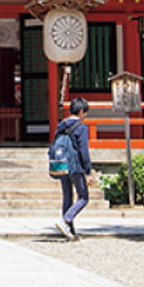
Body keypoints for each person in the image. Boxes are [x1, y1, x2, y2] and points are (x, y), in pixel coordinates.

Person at [52, 96, 93, 239]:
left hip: (62, 163)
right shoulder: (80, 128)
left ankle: (69, 231)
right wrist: (88, 170)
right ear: (81, 111)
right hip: (75, 165)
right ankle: (65, 221)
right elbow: (83, 151)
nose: (85, 116)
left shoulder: (61, 126)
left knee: (67, 197)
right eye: (85, 113)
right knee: (83, 197)